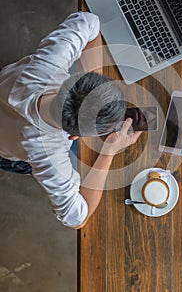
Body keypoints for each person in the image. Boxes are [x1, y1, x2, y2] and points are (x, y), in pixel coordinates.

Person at [0, 12, 142, 229]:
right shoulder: (47, 157)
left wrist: (94, 91)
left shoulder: (47, 65)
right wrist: (108, 151)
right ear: (74, 136)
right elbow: (77, 220)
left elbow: (90, 22)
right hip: (8, 153)